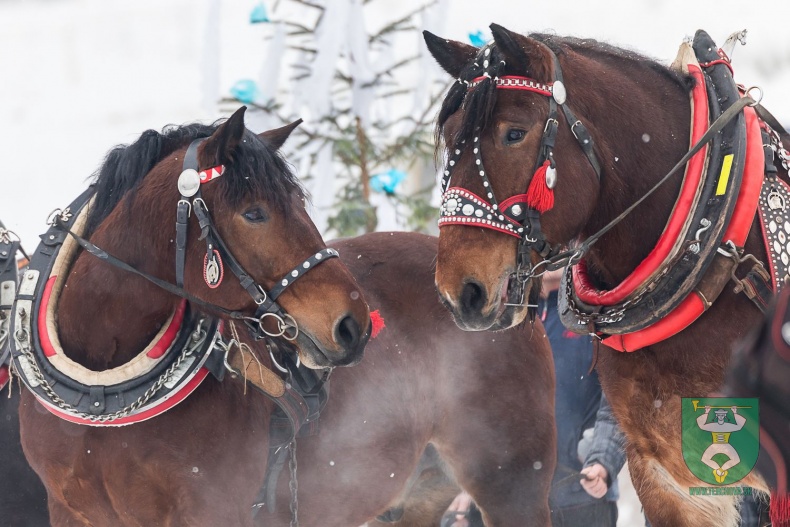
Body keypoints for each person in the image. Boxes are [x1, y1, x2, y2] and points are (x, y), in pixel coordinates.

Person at [443, 269, 626, 527]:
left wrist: (602, 460)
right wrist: (467, 487)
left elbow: (619, 405)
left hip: (583, 498)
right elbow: (477, 412)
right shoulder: (503, 319)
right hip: (511, 504)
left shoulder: (594, 317)